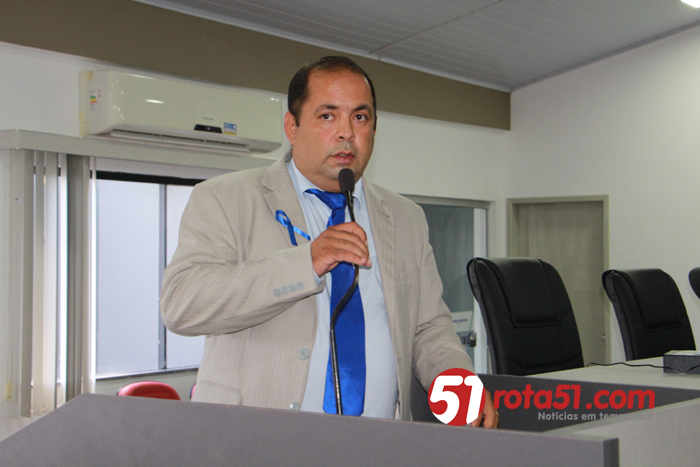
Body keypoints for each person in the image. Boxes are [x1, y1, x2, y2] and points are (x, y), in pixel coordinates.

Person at [160, 56, 497, 427]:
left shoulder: (406, 218)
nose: (346, 133)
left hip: (380, 439)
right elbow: (182, 304)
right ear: (292, 126)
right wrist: (305, 263)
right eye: (327, 116)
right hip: (256, 437)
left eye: (360, 117)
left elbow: (428, 326)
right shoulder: (226, 197)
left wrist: (456, 379)